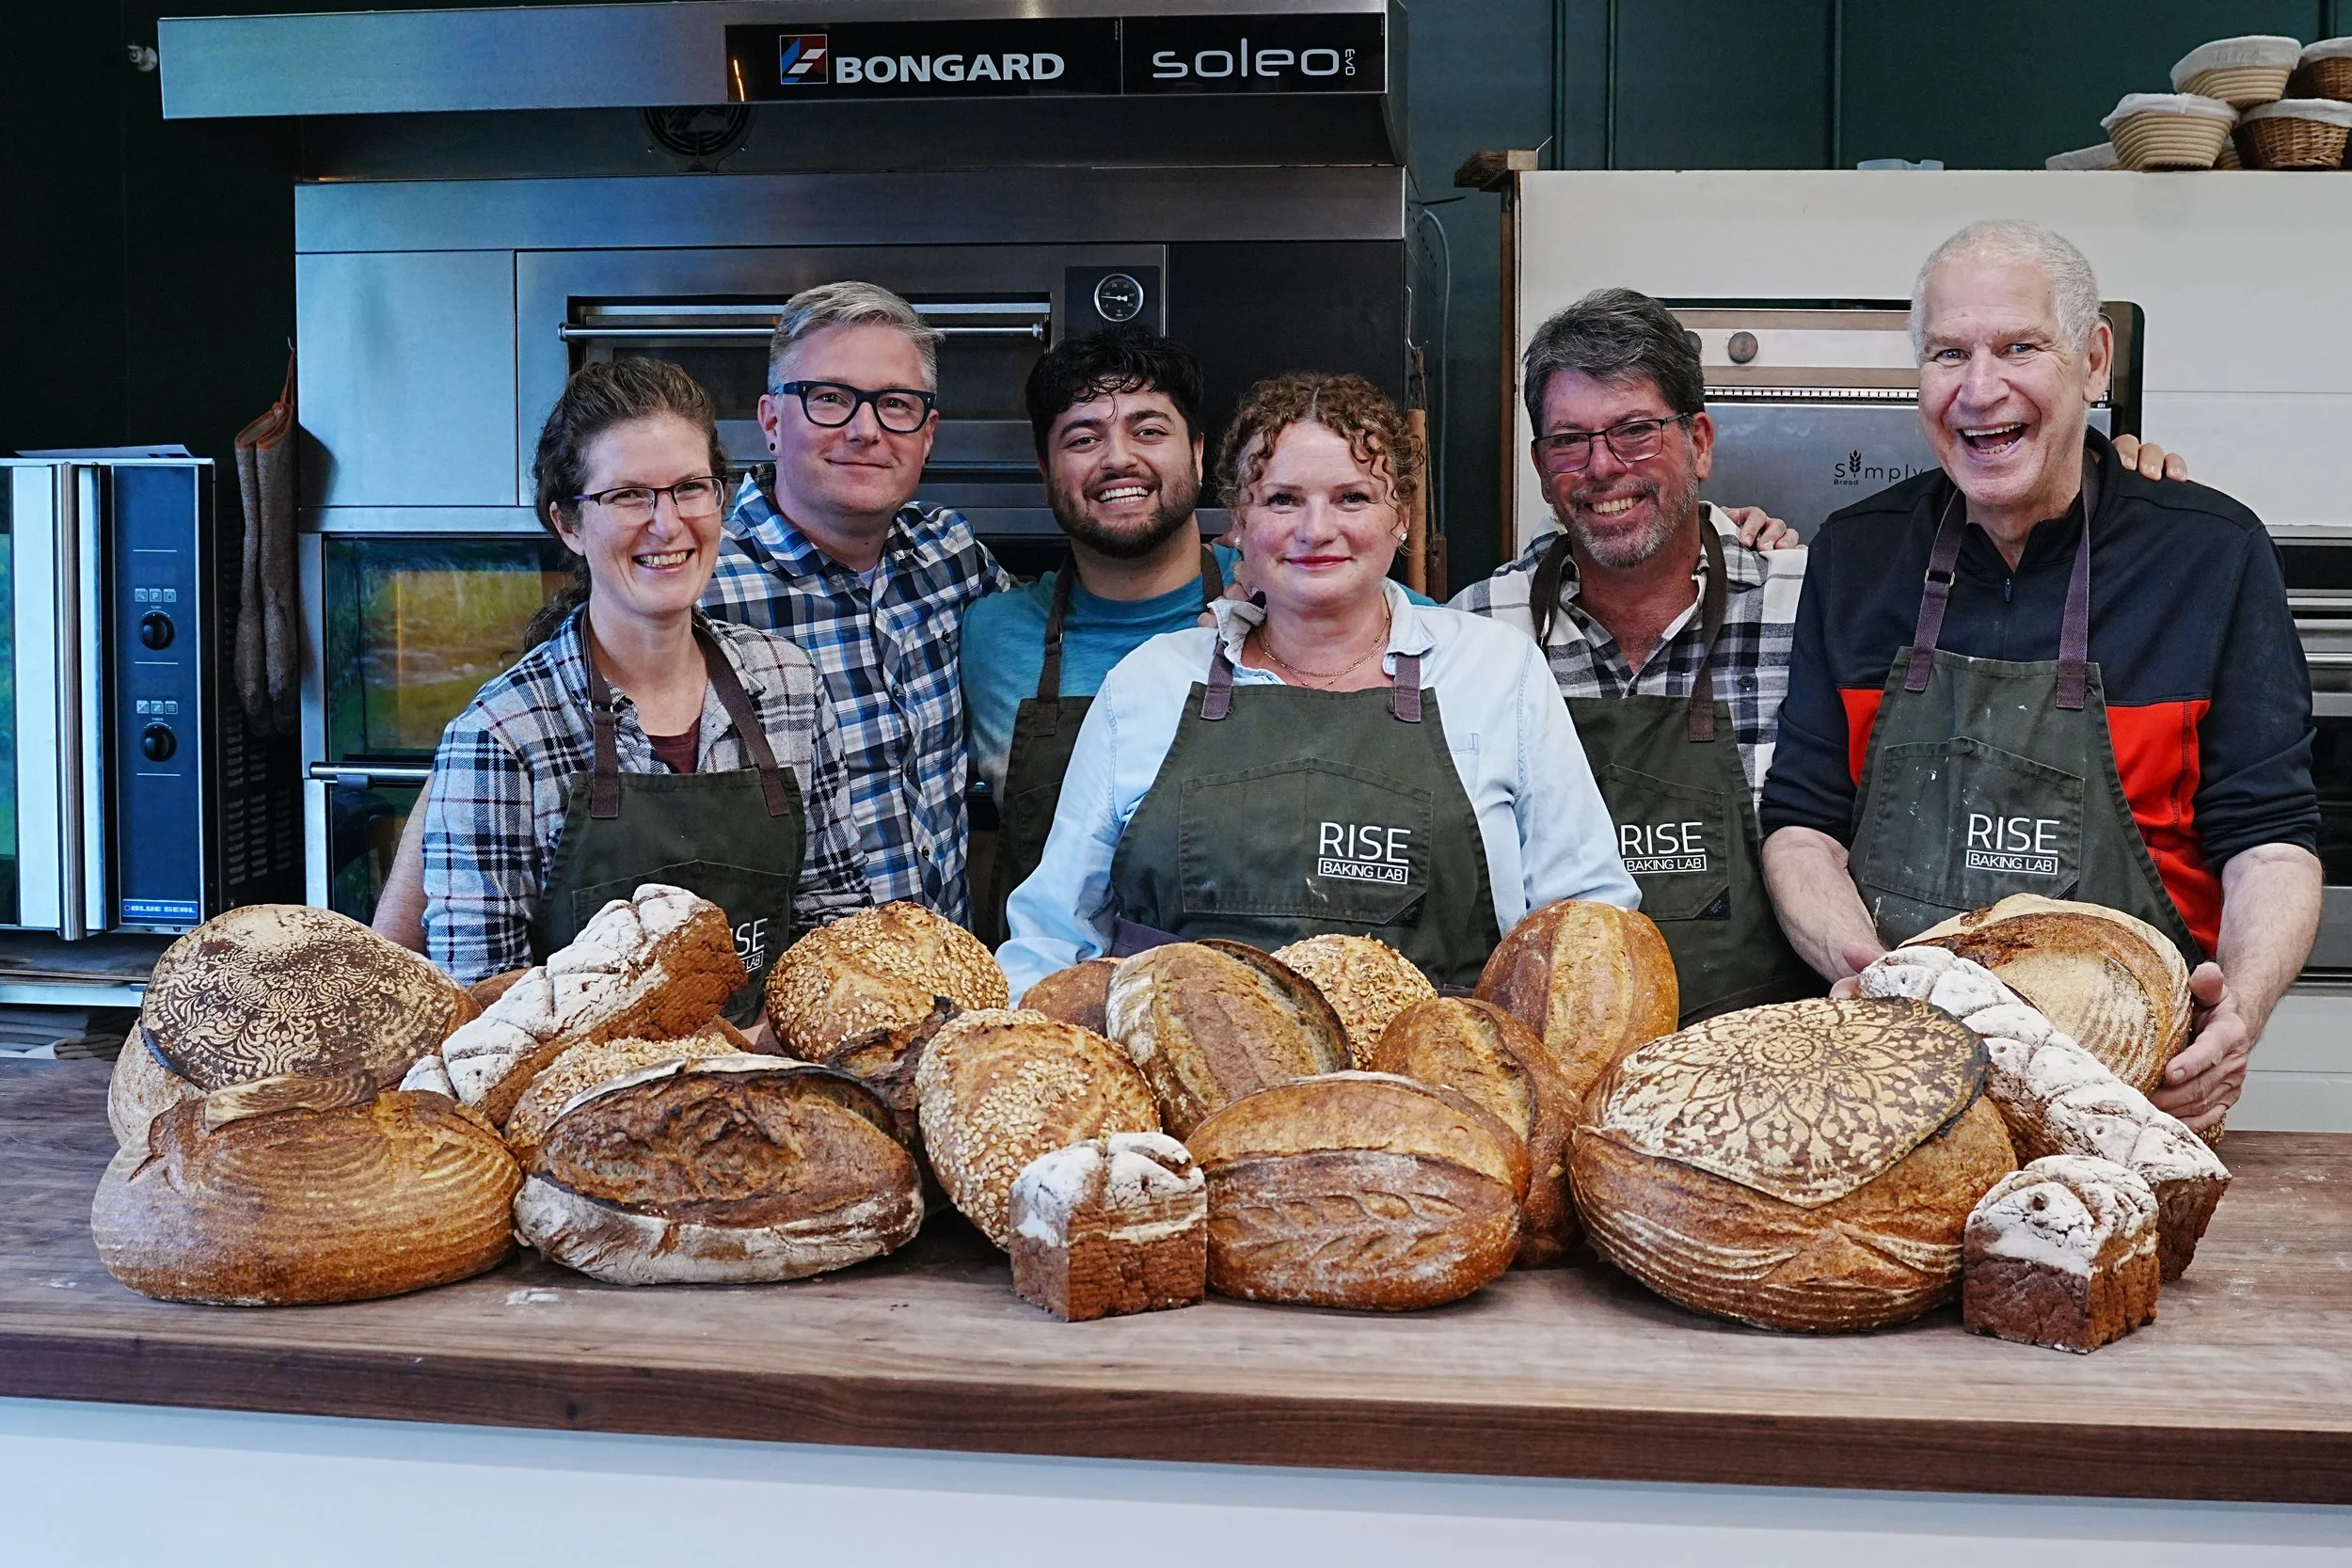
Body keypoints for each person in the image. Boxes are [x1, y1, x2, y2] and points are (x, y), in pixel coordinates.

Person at [1455, 287, 2198, 1023]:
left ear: (1701, 443)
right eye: (1569, 441)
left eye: (1635, 432)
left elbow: (2015, 598)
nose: (1603, 465)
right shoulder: (1481, 635)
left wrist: (2107, 478)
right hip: (1560, 1058)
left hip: (1789, 1055)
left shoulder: (1810, 593)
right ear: (1540, 464)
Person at [1758, 219, 2321, 1132]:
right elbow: (1801, 824)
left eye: (2019, 346)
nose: (1980, 390)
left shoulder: (2208, 555)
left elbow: (2268, 840)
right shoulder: (1856, 556)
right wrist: (1858, 965)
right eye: (1948, 353)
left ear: (2093, 362)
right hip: (1903, 1086)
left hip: (2137, 1094)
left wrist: (2240, 1013)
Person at [996, 372, 1637, 998]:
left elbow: (1587, 930)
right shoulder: (1150, 682)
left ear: (1402, 518)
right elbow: (1053, 938)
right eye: (1281, 499)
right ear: (1239, 523)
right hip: (1182, 1085)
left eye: (1352, 497)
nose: (1316, 529)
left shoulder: (1497, 674)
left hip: (1437, 1088)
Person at [421, 358, 868, 1021]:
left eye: (691, 487)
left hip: (771, 1099)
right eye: (629, 495)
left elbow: (838, 934)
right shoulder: (502, 737)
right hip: (581, 1119)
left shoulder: (788, 684)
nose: (668, 524)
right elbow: (479, 1020)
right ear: (568, 523)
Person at [703, 280, 1014, 925]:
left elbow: (1071, 623)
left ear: (927, 434)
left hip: (949, 991)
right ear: (769, 420)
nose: (865, 429)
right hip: (776, 1010)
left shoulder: (951, 558)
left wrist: (1235, 572)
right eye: (830, 398)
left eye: (895, 404)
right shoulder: (697, 583)